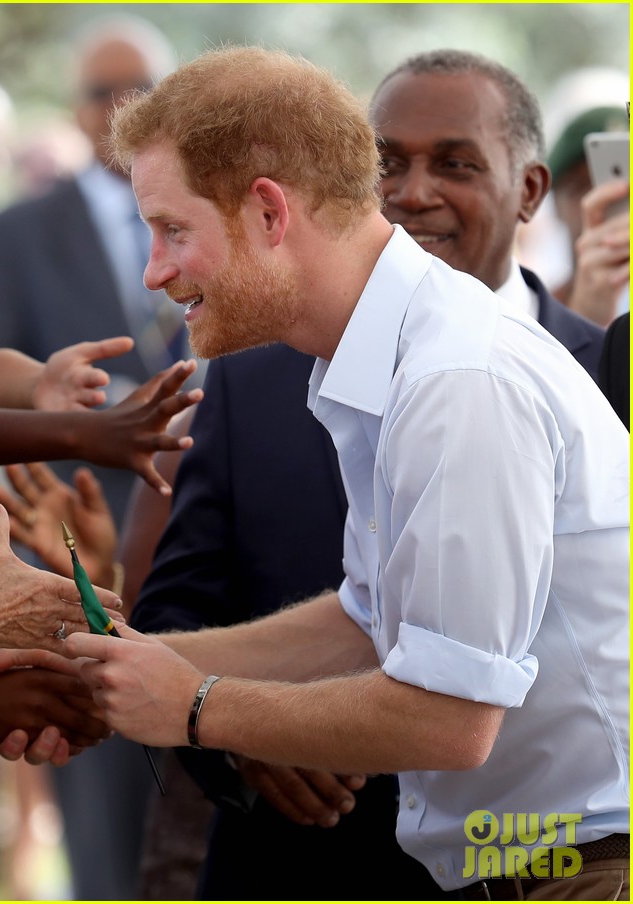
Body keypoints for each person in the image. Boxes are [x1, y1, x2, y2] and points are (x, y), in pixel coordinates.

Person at [66, 45, 629, 900]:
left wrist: (192, 703)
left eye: (173, 228)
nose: (155, 269)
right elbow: (367, 621)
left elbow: (450, 719)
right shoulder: (397, 353)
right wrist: (125, 668)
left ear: (266, 213)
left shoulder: (455, 377)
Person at [0, 20, 186, 896]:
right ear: (76, 108)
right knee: (102, 810)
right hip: (79, 550)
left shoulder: (220, 219)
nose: (120, 111)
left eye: (142, 92)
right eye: (101, 93)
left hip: (205, 547)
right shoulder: (17, 235)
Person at [545, 105, 629, 327]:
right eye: (581, 186)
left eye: (624, 183)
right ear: (554, 203)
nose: (602, 199)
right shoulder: (534, 319)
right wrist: (584, 325)